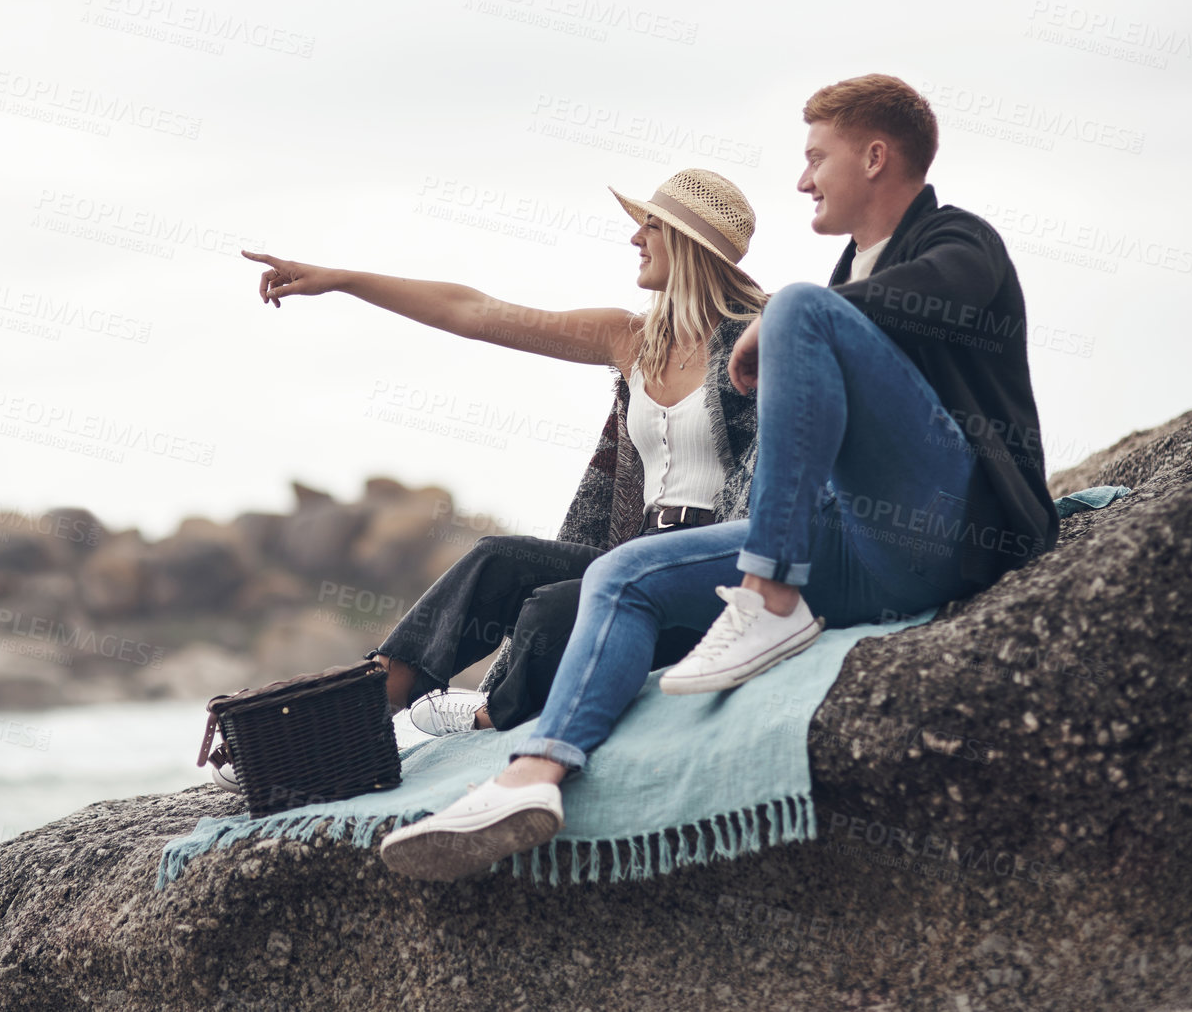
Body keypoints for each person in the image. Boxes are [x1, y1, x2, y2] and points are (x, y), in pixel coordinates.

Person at [379, 74, 1063, 880]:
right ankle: (534, 775)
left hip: (948, 525)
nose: (804, 179)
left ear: (875, 157)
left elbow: (936, 295)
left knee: (802, 306)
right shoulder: (823, 288)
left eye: (817, 158)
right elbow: (481, 311)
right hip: (856, 551)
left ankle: (767, 596)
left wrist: (782, 321)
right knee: (622, 571)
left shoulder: (956, 240)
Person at [207, 169, 770, 790]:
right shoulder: (630, 337)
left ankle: (484, 714)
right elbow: (475, 312)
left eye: (652, 226)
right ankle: (337, 723)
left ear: (691, 244)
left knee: (559, 608)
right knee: (496, 559)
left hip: (711, 571)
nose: (636, 237)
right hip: (633, 554)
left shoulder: (760, 340)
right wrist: (344, 280)